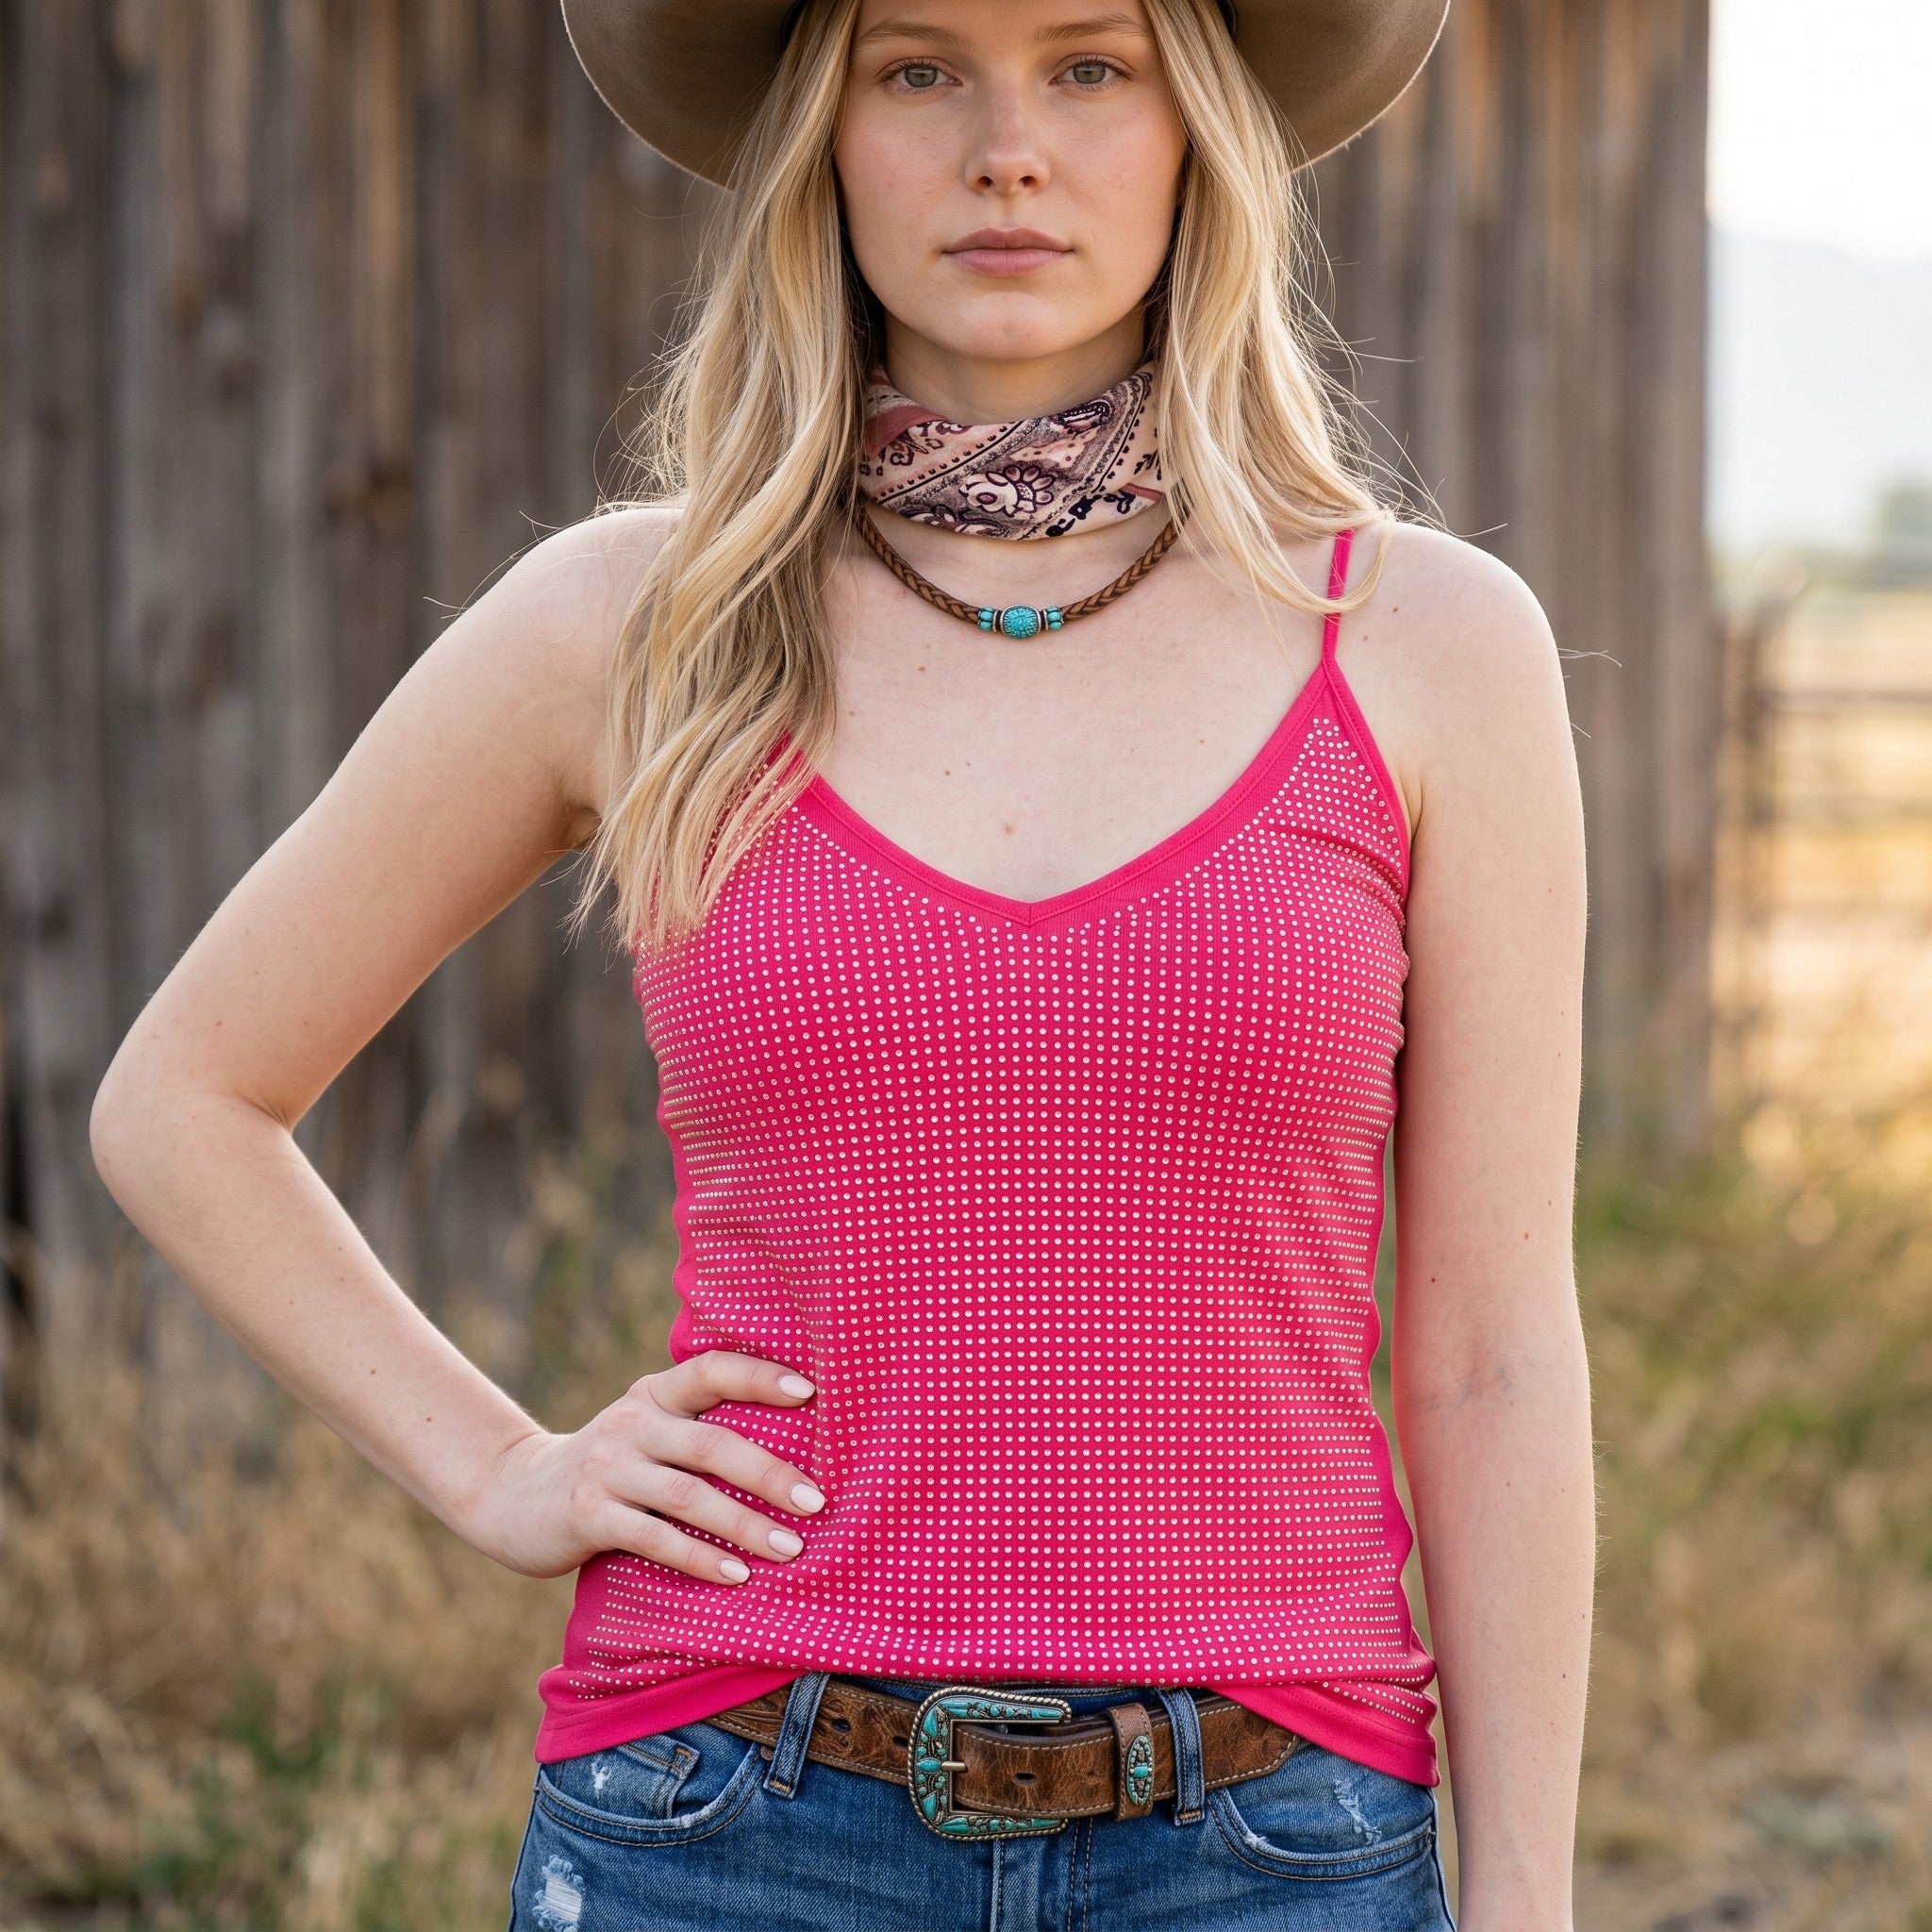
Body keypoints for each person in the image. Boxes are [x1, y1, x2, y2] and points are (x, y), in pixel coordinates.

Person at [89, 0, 1595, 1925]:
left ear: (1196, 130)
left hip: (1270, 1838)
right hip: (729, 1819)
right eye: (916, 69)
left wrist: (1527, 1893)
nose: (1004, 146)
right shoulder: (632, 623)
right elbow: (186, 1100)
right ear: (823, 133)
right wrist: (499, 1469)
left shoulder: (1422, 644)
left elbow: (1492, 1356)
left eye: (1090, 66)